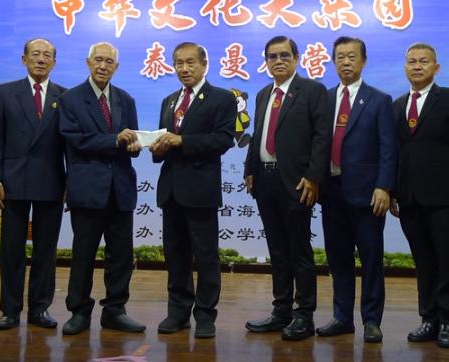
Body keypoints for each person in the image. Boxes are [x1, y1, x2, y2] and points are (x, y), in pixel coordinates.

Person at [391, 42, 449, 349]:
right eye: (412, 61)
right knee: (424, 262)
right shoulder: (397, 105)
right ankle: (429, 318)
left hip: (445, 198)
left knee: (448, 260)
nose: (417, 66)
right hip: (409, 198)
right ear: (405, 67)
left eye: (423, 61)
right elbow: (394, 153)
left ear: (436, 68)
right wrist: (392, 191)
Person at [243, 35, 330, 341]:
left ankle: (304, 314)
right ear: (266, 62)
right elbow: (257, 135)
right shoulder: (263, 94)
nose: (278, 61)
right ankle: (281, 311)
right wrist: (250, 169)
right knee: (277, 250)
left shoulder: (312, 91)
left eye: (284, 55)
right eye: (272, 56)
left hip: (297, 181)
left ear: (297, 58)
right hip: (265, 180)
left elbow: (322, 136)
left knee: (299, 250)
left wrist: (314, 176)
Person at [149, 42, 236, 339]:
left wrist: (182, 141)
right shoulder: (169, 101)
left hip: (200, 190)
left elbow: (223, 140)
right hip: (171, 190)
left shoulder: (222, 98)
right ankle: (178, 312)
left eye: (190, 63)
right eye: (179, 63)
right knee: (175, 255)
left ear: (204, 64)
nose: (184, 69)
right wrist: (157, 147)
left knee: (206, 256)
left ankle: (206, 315)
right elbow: (163, 142)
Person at [59, 42, 145, 335]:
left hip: (120, 189)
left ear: (116, 67)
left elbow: (132, 140)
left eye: (109, 62)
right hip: (87, 190)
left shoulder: (125, 99)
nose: (103, 66)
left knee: (121, 256)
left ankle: (115, 311)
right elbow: (74, 139)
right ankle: (79, 311)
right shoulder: (70, 98)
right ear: (88, 62)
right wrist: (115, 140)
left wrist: (135, 145)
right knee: (83, 255)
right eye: (98, 60)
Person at [317, 36, 396, 342]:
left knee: (371, 259)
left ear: (363, 61)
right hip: (331, 192)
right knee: (338, 259)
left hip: (367, 194)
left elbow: (388, 149)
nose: (346, 62)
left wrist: (384, 186)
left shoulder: (379, 100)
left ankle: (372, 320)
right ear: (333, 62)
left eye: (352, 57)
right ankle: (342, 317)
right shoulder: (323, 99)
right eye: (340, 57)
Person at [0, 38, 66, 330]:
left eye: (46, 56)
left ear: (54, 62)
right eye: (35, 54)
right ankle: (9, 309)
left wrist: (70, 183)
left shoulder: (64, 97)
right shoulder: (4, 93)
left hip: (51, 181)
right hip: (12, 182)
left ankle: (40, 309)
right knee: (11, 250)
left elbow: (69, 146)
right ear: (24, 59)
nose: (41, 60)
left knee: (46, 251)